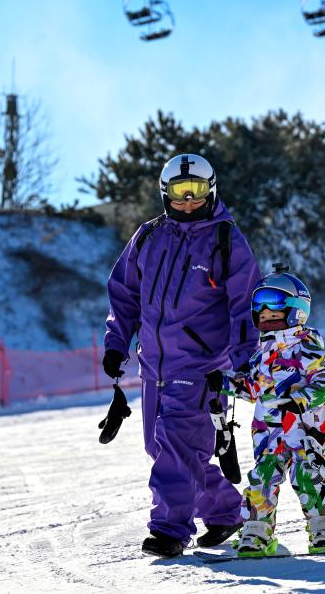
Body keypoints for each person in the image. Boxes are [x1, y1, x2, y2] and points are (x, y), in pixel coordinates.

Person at [102, 153, 261, 558]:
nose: (188, 202)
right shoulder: (149, 236)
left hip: (202, 365)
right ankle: (227, 511)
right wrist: (117, 343)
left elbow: (244, 305)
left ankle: (170, 529)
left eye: (196, 193)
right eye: (178, 193)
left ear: (211, 190)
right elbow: (124, 294)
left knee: (176, 443)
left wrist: (246, 361)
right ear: (164, 193)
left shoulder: (227, 240)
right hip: (153, 364)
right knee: (161, 448)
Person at [207, 267, 325, 557]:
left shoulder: (309, 351)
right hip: (269, 436)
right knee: (261, 479)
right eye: (262, 315)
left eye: (275, 314)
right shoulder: (261, 356)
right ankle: (257, 531)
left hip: (306, 434)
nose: (267, 318)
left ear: (296, 313)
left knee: (307, 476)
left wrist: (301, 400)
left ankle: (323, 528)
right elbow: (254, 388)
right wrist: (225, 382)